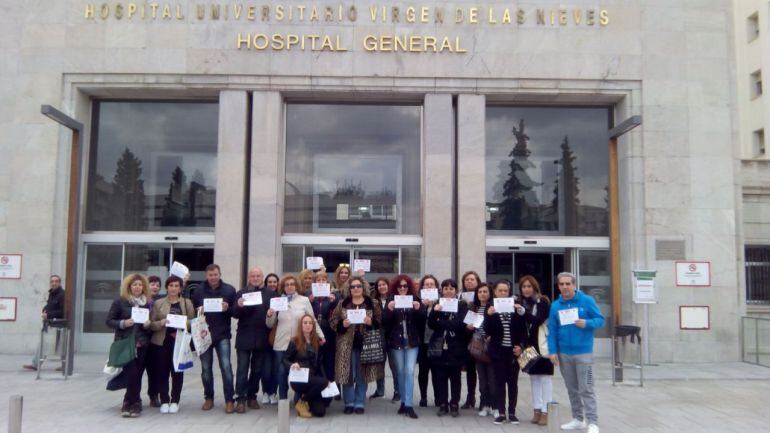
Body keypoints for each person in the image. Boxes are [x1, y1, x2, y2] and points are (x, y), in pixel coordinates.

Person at [548, 272, 604, 433]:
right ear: (558, 286)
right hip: (564, 354)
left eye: (568, 284)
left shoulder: (587, 301)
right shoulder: (555, 306)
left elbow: (600, 320)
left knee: (587, 388)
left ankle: (593, 422)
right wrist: (553, 351)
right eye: (562, 284)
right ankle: (578, 419)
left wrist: (587, 323)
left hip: (584, 353)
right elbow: (552, 330)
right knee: (572, 388)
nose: (565, 287)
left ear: (574, 285)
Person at [329, 276, 384, 414]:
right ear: (349, 289)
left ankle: (359, 402)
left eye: (358, 286)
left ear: (363, 287)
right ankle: (349, 402)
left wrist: (371, 322)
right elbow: (333, 321)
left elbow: (380, 320)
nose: (356, 289)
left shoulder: (373, 303)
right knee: (347, 374)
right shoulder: (343, 303)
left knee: (362, 374)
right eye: (353, 286)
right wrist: (342, 324)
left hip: (366, 344)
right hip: (346, 345)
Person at [266, 274, 325, 400]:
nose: (289, 287)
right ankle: (283, 399)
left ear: (296, 286)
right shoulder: (278, 301)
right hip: (281, 343)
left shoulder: (304, 300)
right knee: (281, 372)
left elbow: (312, 319)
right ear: (283, 287)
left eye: (292, 284)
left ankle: (299, 398)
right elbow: (270, 324)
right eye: (286, 285)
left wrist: (321, 335)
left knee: (299, 370)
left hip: (298, 344)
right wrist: (270, 315)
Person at [191, 264, 237, 413]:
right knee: (206, 369)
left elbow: (236, 312)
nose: (213, 277)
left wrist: (227, 309)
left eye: (215, 274)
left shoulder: (229, 290)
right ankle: (209, 398)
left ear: (220, 274)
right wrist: (199, 311)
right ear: (206, 276)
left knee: (226, 367)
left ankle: (229, 400)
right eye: (210, 275)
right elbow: (193, 313)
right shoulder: (198, 291)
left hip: (222, 334)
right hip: (204, 335)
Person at [105, 274, 153, 418]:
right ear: (129, 287)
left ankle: (129, 402)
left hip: (142, 344)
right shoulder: (120, 302)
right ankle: (134, 401)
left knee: (137, 374)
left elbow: (150, 326)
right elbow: (109, 321)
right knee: (131, 373)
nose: (137, 287)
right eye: (134, 285)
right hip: (126, 343)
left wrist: (148, 325)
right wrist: (123, 323)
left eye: (140, 285)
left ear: (144, 287)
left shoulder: (147, 303)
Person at [231, 267, 277, 413]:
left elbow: (275, 315)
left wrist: (272, 314)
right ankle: (240, 399)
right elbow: (234, 313)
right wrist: (239, 306)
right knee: (242, 370)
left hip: (262, 337)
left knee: (257, 370)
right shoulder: (241, 293)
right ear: (249, 278)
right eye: (253, 276)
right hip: (244, 337)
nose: (256, 278)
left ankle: (252, 396)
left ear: (262, 277)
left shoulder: (270, 294)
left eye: (258, 276)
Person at [148, 275, 195, 414]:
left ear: (180, 288)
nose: (173, 288)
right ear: (166, 287)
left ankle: (175, 400)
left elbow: (193, 322)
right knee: (162, 372)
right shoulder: (159, 303)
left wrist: (182, 322)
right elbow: (151, 324)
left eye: (176, 286)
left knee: (177, 373)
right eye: (171, 286)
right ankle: (164, 400)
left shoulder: (186, 303)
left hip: (179, 342)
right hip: (161, 342)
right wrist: (161, 323)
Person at [485, 279, 527, 425]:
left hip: (513, 351)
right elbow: (487, 330)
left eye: (506, 291)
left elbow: (523, 331)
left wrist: (521, 346)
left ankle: (512, 412)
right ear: (495, 292)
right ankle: (501, 412)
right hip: (498, 351)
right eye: (500, 290)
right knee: (499, 382)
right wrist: (489, 316)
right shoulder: (491, 307)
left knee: (513, 382)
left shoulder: (516, 307)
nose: (503, 293)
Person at [382, 274, 423, 419]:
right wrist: (389, 309)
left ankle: (409, 404)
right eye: (400, 286)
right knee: (400, 372)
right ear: (396, 287)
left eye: (405, 286)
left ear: (409, 287)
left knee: (410, 371)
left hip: (412, 340)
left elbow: (423, 319)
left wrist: (419, 309)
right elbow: (384, 321)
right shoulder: (391, 299)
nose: (402, 288)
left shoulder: (415, 298)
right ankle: (403, 402)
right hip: (396, 341)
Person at [428, 278, 468, 418]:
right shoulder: (438, 304)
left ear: (456, 291)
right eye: (446, 288)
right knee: (441, 376)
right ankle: (443, 404)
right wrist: (435, 312)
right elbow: (431, 324)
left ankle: (454, 403)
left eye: (451, 288)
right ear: (442, 290)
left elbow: (460, 324)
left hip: (456, 346)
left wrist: (442, 322)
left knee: (455, 377)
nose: (448, 291)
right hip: (440, 345)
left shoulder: (462, 305)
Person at [518, 274, 554, 426]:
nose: (526, 289)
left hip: (542, 344)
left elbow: (538, 320)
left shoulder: (542, 301)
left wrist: (523, 313)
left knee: (545, 379)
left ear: (534, 287)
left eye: (529, 286)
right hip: (529, 345)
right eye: (523, 287)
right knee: (533, 379)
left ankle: (546, 411)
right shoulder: (522, 303)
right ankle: (536, 410)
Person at [284, 314, 332, 418]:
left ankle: (304, 400)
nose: (308, 325)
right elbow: (284, 360)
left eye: (310, 323)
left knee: (320, 412)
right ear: (301, 325)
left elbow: (320, 363)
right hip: (299, 379)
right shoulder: (294, 341)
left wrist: (326, 380)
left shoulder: (317, 342)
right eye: (305, 323)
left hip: (313, 379)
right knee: (322, 382)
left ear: (313, 326)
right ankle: (302, 402)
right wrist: (292, 364)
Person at [468, 282, 498, 418]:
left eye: (485, 291)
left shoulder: (493, 308)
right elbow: (468, 328)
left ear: (490, 293)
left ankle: (495, 405)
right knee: (482, 379)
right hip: (478, 346)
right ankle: (484, 404)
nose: (482, 294)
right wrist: (468, 327)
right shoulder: (474, 308)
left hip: (492, 346)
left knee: (493, 378)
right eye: (480, 292)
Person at [23, 275, 65, 371]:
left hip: (58, 324)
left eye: (56, 281)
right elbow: (50, 305)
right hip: (50, 323)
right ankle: (35, 364)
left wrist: (48, 314)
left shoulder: (62, 295)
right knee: (44, 343)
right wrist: (44, 310)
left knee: (60, 345)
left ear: (59, 283)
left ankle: (65, 366)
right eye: (52, 281)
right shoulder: (52, 293)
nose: (54, 283)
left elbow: (62, 311)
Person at [308, 269, 338, 400]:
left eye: (323, 280)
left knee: (329, 361)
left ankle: (329, 392)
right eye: (318, 280)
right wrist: (309, 301)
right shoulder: (310, 297)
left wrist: (333, 302)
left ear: (327, 282)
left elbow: (338, 313)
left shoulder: (333, 296)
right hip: (313, 332)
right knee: (314, 360)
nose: (321, 282)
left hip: (329, 332)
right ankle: (314, 390)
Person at [370, 276, 400, 402]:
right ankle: (380, 390)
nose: (382, 287)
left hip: (393, 337)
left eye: (384, 284)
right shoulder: (373, 300)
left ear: (388, 285)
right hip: (378, 336)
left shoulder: (395, 298)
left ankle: (397, 391)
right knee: (379, 365)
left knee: (394, 366)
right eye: (379, 285)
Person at [416, 274, 439, 407]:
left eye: (432, 284)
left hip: (436, 342)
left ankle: (438, 398)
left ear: (436, 287)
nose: (429, 286)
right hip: (422, 341)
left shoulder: (441, 302)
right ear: (422, 287)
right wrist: (423, 307)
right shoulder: (418, 302)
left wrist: (433, 307)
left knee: (437, 371)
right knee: (423, 371)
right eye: (426, 284)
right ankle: (423, 397)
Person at [460, 270, 482, 410]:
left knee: (482, 369)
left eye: (472, 279)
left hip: (479, 336)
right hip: (464, 335)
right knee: (470, 369)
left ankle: (484, 398)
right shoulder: (460, 296)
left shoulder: (482, 295)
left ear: (477, 281)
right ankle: (470, 397)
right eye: (466, 279)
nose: (469, 281)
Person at [260, 272, 280, 404]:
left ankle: (273, 392)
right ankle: (265, 392)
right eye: (270, 282)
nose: (272, 284)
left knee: (276, 368)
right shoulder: (262, 297)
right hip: (264, 336)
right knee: (266, 368)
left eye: (274, 282)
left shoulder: (282, 297)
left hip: (278, 336)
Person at [145, 275, 163, 407]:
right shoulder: (141, 300)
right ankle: (132, 397)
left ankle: (154, 395)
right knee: (137, 371)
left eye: (157, 285)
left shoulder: (161, 301)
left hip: (155, 339)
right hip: (140, 340)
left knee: (154, 371)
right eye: (152, 284)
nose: (155, 287)